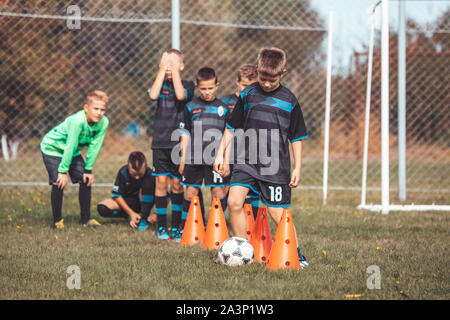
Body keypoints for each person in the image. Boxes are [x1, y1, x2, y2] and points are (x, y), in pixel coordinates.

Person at [214, 48, 309, 268]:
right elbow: (230, 127)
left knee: (278, 213)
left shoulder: (290, 101)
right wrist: (221, 154)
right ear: (257, 71)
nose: (266, 83)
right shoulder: (248, 95)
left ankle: (297, 254)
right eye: (263, 78)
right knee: (234, 202)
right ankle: (242, 250)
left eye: (271, 80)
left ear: (282, 73)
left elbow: (296, 137)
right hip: (246, 160)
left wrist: (297, 168)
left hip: (275, 167)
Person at [40, 90, 109, 229]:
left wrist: (88, 170)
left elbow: (95, 147)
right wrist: (63, 171)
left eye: (102, 109)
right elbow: (70, 144)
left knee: (86, 180)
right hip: (52, 148)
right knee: (59, 182)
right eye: (95, 109)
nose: (99, 113)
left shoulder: (103, 122)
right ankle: (57, 221)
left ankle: (85, 220)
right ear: (86, 108)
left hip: (71, 151)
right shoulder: (77, 121)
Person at [147, 49, 195, 240]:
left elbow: (181, 95)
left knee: (177, 184)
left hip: (178, 142)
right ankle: (161, 226)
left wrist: (174, 70)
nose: (168, 68)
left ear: (181, 66)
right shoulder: (160, 84)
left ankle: (176, 226)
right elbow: (153, 95)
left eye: (173, 64)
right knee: (160, 182)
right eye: (165, 64)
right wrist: (162, 70)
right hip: (160, 142)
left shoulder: (188, 85)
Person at [178, 67, 230, 237]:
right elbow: (185, 134)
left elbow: (227, 135)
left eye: (210, 88)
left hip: (214, 159)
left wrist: (223, 157)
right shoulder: (190, 107)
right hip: (194, 158)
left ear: (217, 85)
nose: (207, 92)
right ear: (197, 86)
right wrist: (183, 159)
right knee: (190, 192)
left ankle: (216, 229)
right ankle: (186, 228)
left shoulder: (223, 108)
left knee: (217, 192)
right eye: (203, 88)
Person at [220, 64, 260, 219]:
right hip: (229, 155)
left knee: (252, 192)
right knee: (223, 190)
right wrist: (223, 158)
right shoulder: (225, 103)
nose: (247, 89)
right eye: (244, 85)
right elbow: (223, 131)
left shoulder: (258, 103)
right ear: (237, 82)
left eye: (251, 86)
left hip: (250, 156)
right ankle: (221, 226)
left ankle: (254, 225)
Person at [97, 151, 156, 231]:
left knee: (147, 185)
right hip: (128, 202)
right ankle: (131, 216)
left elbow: (165, 196)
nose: (137, 177)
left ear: (146, 165)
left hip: (144, 203)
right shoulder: (123, 172)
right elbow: (117, 196)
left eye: (140, 174)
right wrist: (131, 213)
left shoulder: (151, 174)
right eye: (133, 174)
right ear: (128, 165)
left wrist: (157, 215)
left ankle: (143, 218)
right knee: (102, 208)